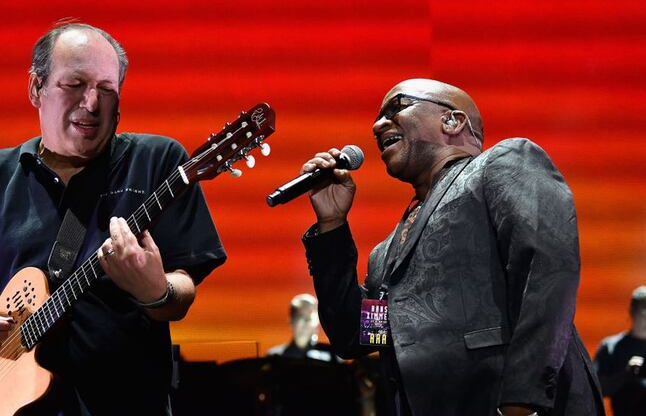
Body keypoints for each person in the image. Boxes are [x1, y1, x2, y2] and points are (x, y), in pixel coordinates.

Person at [0, 22, 226, 415]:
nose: (92, 103)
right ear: (36, 89)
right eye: (75, 84)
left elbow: (180, 293)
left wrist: (154, 290)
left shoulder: (158, 163)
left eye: (107, 89)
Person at [299, 78, 604, 416]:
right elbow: (356, 336)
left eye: (397, 107)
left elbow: (547, 271)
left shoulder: (502, 164)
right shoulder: (385, 255)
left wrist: (521, 402)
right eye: (377, 118)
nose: (377, 125)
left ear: (452, 121)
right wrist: (332, 227)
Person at [594, 286, 646, 415]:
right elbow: (597, 389)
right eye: (644, 313)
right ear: (632, 312)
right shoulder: (610, 346)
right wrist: (626, 374)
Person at [267, 293, 337, 362]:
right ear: (291, 321)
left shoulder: (331, 356)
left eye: (309, 319)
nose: (305, 324)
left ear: (317, 322)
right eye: (300, 318)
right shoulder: (274, 357)